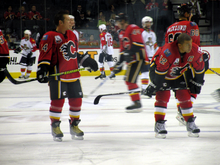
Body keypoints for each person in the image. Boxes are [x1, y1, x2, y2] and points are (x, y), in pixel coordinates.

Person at [36, 10, 98, 142]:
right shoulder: (49, 36)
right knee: (58, 102)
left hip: (73, 74)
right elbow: (44, 55)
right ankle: (55, 126)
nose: (72, 22)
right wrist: (42, 69)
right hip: (57, 75)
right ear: (60, 22)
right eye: (68, 20)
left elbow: (73, 54)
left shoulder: (72, 35)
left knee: (77, 101)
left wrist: (86, 60)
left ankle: (74, 125)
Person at [145, 33, 205, 138]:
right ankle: (159, 124)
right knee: (163, 96)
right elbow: (160, 71)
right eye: (187, 45)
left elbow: (199, 68)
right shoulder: (168, 52)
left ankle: (190, 122)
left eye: (191, 44)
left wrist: (198, 82)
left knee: (184, 96)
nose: (190, 47)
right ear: (180, 45)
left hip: (178, 73)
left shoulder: (194, 50)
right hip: (159, 72)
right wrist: (154, 85)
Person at [165, 3, 209, 125]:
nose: (191, 15)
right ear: (186, 14)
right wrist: (201, 56)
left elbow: (167, 48)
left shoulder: (170, 27)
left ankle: (182, 112)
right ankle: (182, 113)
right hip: (187, 63)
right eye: (190, 12)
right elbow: (194, 46)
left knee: (181, 89)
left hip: (173, 64)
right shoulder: (191, 25)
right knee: (195, 86)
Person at [113, 13, 146, 113]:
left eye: (118, 21)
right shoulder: (121, 33)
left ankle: (137, 103)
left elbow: (138, 44)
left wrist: (129, 53)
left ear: (122, 21)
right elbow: (123, 51)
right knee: (128, 80)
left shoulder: (133, 28)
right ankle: (136, 102)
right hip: (131, 60)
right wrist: (118, 64)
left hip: (138, 58)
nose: (117, 24)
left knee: (130, 80)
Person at [140, 16, 158, 98]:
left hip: (152, 56)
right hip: (145, 56)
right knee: (145, 73)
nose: (148, 24)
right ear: (143, 23)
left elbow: (155, 45)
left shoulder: (152, 33)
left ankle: (150, 89)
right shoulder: (142, 33)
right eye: (147, 22)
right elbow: (141, 46)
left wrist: (158, 53)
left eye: (149, 22)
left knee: (153, 74)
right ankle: (144, 89)